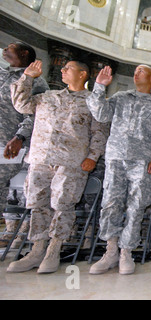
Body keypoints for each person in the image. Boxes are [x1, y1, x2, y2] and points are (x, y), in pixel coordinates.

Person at [7, 60, 108, 274]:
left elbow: (100, 131)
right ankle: (36, 250)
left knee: (63, 204)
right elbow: (21, 104)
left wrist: (93, 155)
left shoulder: (93, 101)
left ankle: (54, 249)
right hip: (41, 158)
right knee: (37, 204)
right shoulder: (49, 96)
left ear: (83, 74)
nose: (62, 70)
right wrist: (27, 77)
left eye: (68, 68)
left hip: (72, 160)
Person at [86, 65, 151, 275]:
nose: (135, 74)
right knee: (111, 202)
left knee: (136, 206)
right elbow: (101, 115)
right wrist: (99, 87)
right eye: (134, 71)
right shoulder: (121, 97)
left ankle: (126, 252)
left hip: (142, 161)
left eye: (140, 71)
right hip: (116, 158)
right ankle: (111, 250)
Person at [0, 42, 48, 248]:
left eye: (10, 48)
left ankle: (17, 233)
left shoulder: (36, 81)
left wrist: (20, 136)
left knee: (17, 190)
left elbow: (36, 113)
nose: (4, 50)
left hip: (15, 143)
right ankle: (8, 232)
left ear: (24, 53)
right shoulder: (3, 75)